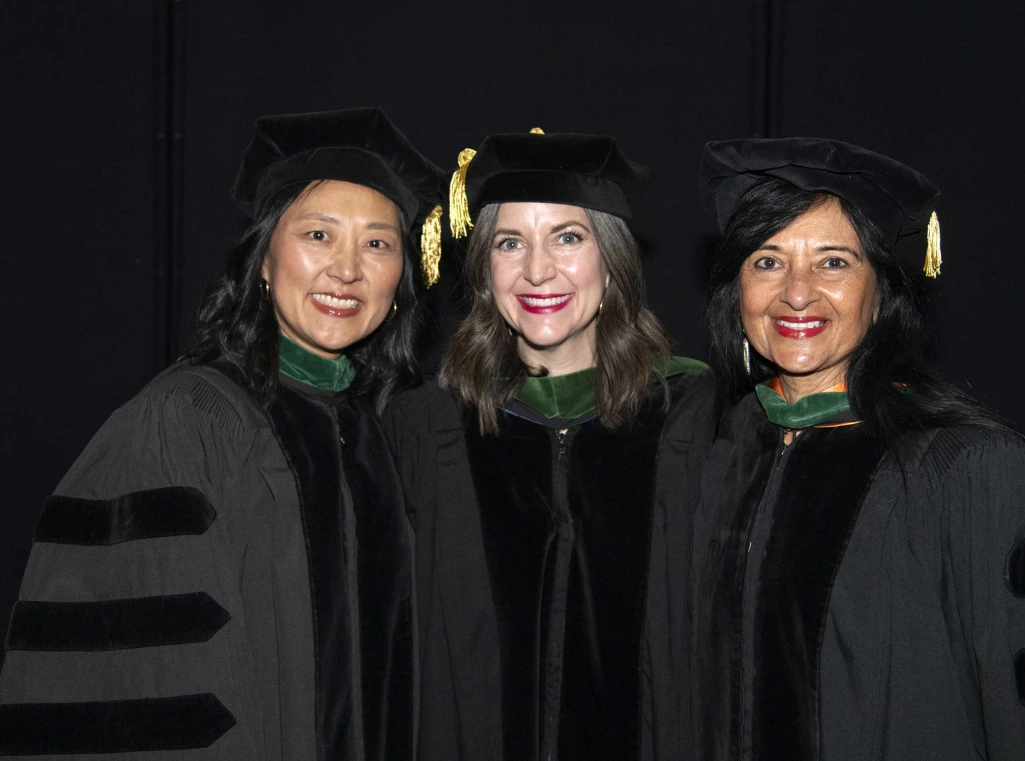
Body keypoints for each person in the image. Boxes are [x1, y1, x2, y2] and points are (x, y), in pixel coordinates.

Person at [0, 107, 445, 759]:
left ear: (400, 282)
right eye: (319, 235)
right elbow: (147, 689)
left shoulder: (374, 431)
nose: (348, 269)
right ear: (263, 260)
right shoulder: (186, 422)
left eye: (377, 243)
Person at [690, 137, 1025, 760]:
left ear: (880, 297)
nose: (796, 292)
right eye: (767, 261)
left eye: (833, 263)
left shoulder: (969, 472)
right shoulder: (714, 459)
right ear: (735, 290)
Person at [382, 129, 715, 760]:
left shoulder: (691, 419)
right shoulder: (426, 430)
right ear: (484, 268)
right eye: (511, 243)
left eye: (568, 237)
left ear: (611, 263)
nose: (538, 270)